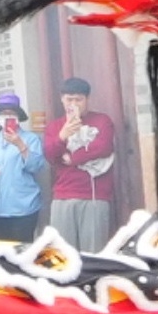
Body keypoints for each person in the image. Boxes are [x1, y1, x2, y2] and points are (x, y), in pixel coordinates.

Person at [45, 76, 118, 253]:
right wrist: (63, 136)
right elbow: (49, 155)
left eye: (79, 99)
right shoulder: (55, 126)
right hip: (63, 194)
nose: (74, 104)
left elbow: (104, 147)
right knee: (63, 253)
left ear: (87, 100)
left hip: (94, 194)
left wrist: (73, 158)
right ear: (62, 100)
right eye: (69, 99)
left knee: (93, 252)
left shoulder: (102, 120)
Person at [0, 96, 47, 237]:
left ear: (18, 117)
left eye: (11, 114)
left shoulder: (31, 138)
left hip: (21, 207)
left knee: (20, 253)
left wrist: (20, 145)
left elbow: (36, 166)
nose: (7, 117)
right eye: (3, 114)